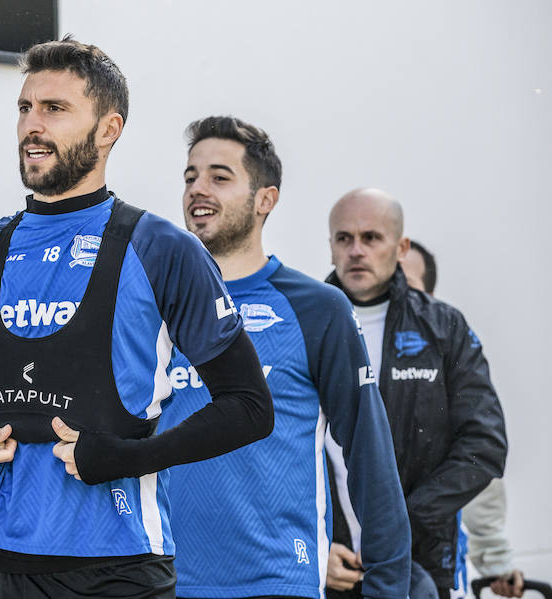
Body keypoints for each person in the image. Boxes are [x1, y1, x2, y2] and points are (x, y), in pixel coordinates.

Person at [0, 39, 274, 599]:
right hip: (0, 565)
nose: (32, 126)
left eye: (54, 109)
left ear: (109, 129)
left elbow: (250, 408)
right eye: (25, 108)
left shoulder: (161, 248)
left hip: (120, 570)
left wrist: (131, 458)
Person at [157, 116, 410, 599]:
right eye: (190, 177)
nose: (197, 189)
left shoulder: (318, 308)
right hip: (160, 582)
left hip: (277, 581)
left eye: (219, 176)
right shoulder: (154, 306)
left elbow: (370, 459)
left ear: (265, 199)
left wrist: (387, 588)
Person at [324, 188, 508, 598]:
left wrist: (405, 520)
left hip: (422, 563)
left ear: (400, 246)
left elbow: (485, 443)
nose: (356, 251)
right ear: (331, 245)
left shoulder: (443, 328)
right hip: (325, 567)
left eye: (371, 238)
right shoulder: (304, 323)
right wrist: (318, 545)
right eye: (344, 238)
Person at [400, 241, 524, 598]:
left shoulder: (447, 361)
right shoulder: (338, 353)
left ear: (430, 296)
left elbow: (478, 464)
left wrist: (497, 563)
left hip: (434, 569)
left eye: (405, 284)